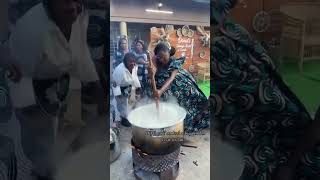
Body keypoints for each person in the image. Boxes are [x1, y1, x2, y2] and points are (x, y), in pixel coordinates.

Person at [211, 0, 319, 179]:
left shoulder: (236, 35)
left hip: (280, 128)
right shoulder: (229, 38)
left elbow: (266, 89)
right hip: (267, 125)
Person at [8, 0, 100, 179]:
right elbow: (18, 76)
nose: (73, 7)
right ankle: (43, 170)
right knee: (40, 138)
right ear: (48, 4)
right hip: (29, 83)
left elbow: (80, 53)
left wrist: (93, 82)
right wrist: (31, 110)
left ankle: (65, 162)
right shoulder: (31, 30)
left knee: (73, 124)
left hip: (65, 78)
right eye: (64, 2)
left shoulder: (80, 16)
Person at [149, 43, 209, 133]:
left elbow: (171, 78)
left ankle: (195, 116)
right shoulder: (156, 59)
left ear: (168, 52)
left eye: (163, 56)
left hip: (180, 84)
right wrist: (151, 71)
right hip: (166, 88)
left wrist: (161, 90)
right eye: (159, 57)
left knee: (190, 97)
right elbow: (153, 67)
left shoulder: (175, 63)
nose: (161, 59)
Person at [112, 53, 141, 127]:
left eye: (134, 61)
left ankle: (130, 115)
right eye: (130, 61)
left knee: (131, 102)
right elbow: (115, 84)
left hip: (129, 86)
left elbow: (135, 77)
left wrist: (138, 87)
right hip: (119, 87)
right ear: (125, 61)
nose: (132, 63)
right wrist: (118, 96)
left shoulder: (134, 66)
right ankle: (123, 119)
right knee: (122, 104)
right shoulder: (119, 70)